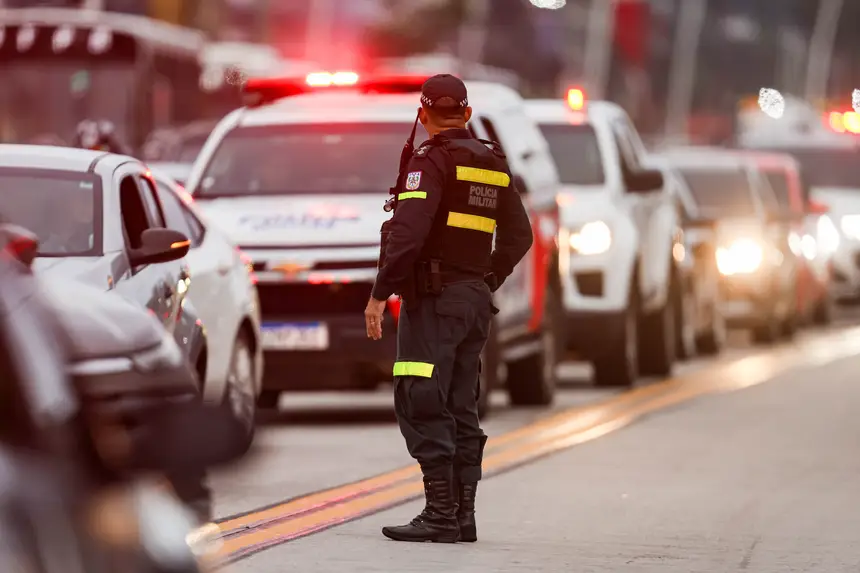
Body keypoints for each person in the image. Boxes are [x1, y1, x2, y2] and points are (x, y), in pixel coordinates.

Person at [365, 74, 533, 543]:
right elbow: (520, 236)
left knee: (420, 398)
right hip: (473, 302)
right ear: (467, 114)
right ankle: (463, 514)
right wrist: (487, 279)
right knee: (462, 404)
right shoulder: (493, 162)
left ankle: (440, 512)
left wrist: (380, 293)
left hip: (434, 303)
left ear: (423, 115)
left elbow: (408, 236)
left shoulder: (430, 161)